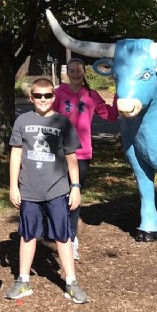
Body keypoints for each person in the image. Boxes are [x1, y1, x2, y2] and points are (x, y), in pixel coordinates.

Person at [6, 77, 89, 304]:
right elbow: (15, 154)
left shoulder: (63, 122)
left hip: (57, 190)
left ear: (54, 97)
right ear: (31, 98)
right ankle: (23, 281)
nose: (43, 99)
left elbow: (72, 158)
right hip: (30, 191)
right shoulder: (22, 121)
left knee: (63, 236)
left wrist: (75, 187)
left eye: (48, 95)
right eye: (38, 96)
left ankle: (71, 282)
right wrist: (13, 186)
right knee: (27, 234)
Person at [54, 57, 119, 260]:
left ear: (84, 72)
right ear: (67, 73)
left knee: (74, 196)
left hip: (82, 154)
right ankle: (54, 234)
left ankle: (72, 238)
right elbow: (46, 116)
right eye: (72, 70)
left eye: (78, 70)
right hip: (57, 152)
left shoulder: (91, 95)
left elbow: (110, 116)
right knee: (56, 196)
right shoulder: (58, 94)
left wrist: (119, 95)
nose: (75, 73)